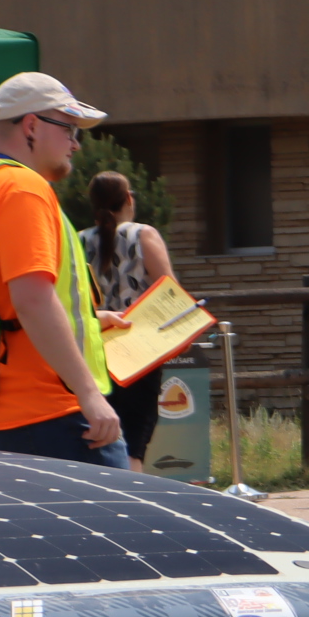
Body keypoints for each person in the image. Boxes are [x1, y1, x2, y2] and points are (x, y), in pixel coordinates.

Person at [0, 72, 128, 466]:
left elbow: (5, 301)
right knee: (117, 509)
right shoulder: (22, 188)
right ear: (31, 126)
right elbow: (33, 301)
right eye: (69, 129)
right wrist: (89, 393)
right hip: (48, 412)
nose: (75, 144)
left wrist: (90, 320)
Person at [80, 170, 177, 471]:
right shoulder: (143, 234)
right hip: (139, 352)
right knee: (134, 443)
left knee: (102, 439)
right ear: (128, 199)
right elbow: (169, 292)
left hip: (94, 349)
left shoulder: (78, 240)